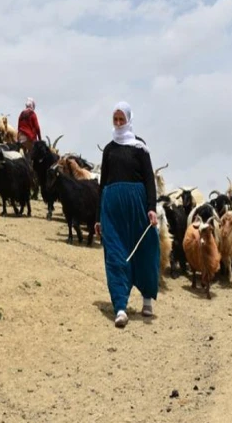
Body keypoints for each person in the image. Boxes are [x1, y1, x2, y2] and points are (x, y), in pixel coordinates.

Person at [95, 101, 160, 329]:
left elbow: (149, 180)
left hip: (137, 207)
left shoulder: (140, 147)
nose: (119, 123)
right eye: (116, 119)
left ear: (129, 120)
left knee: (145, 249)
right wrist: (97, 217)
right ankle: (120, 307)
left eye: (122, 119)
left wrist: (151, 207)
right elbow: (103, 183)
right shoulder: (109, 149)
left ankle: (146, 299)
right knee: (115, 255)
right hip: (112, 211)